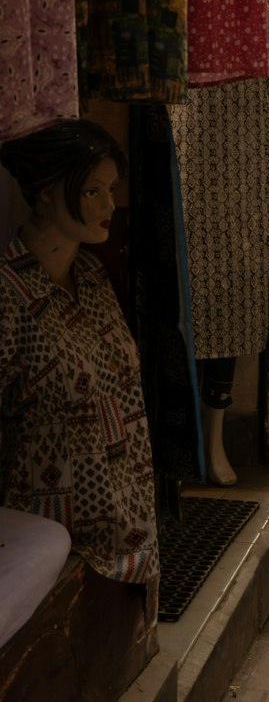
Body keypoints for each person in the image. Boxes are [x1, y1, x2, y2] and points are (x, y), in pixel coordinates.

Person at [0, 120, 159, 591]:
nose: (111, 205)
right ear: (47, 192)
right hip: (56, 546)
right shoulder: (9, 295)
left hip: (131, 539)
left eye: (111, 189)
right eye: (93, 191)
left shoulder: (91, 277)